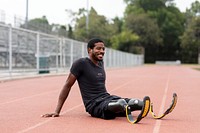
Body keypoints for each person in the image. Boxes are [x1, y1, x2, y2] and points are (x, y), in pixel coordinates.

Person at [42, 38, 150, 120]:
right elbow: (67, 85)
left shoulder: (100, 63)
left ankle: (147, 107)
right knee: (121, 103)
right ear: (90, 50)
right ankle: (122, 107)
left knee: (135, 102)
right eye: (98, 48)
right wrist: (57, 111)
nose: (102, 51)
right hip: (94, 104)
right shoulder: (80, 64)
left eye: (103, 49)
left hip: (107, 98)